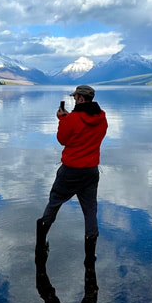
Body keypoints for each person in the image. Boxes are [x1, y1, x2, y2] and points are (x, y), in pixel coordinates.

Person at [37, 85, 108, 266]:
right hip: (91, 171)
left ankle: (40, 245)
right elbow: (86, 129)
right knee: (90, 211)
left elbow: (63, 140)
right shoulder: (102, 117)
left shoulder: (72, 119)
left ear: (82, 99)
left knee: (54, 203)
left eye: (76, 98)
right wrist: (69, 118)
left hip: (70, 171)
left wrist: (63, 120)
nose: (74, 100)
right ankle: (90, 258)